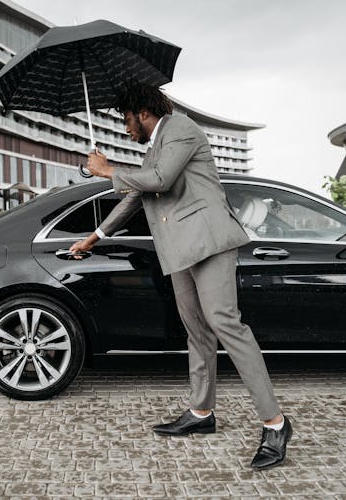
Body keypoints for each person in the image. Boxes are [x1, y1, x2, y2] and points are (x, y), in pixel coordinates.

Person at [68, 83, 292, 470]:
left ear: (141, 112)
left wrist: (107, 170)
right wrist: (95, 236)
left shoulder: (181, 129)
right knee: (197, 332)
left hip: (208, 242)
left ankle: (275, 423)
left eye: (125, 120)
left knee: (226, 324)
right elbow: (136, 196)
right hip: (178, 250)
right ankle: (201, 413)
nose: (125, 129)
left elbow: (160, 180)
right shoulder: (155, 146)